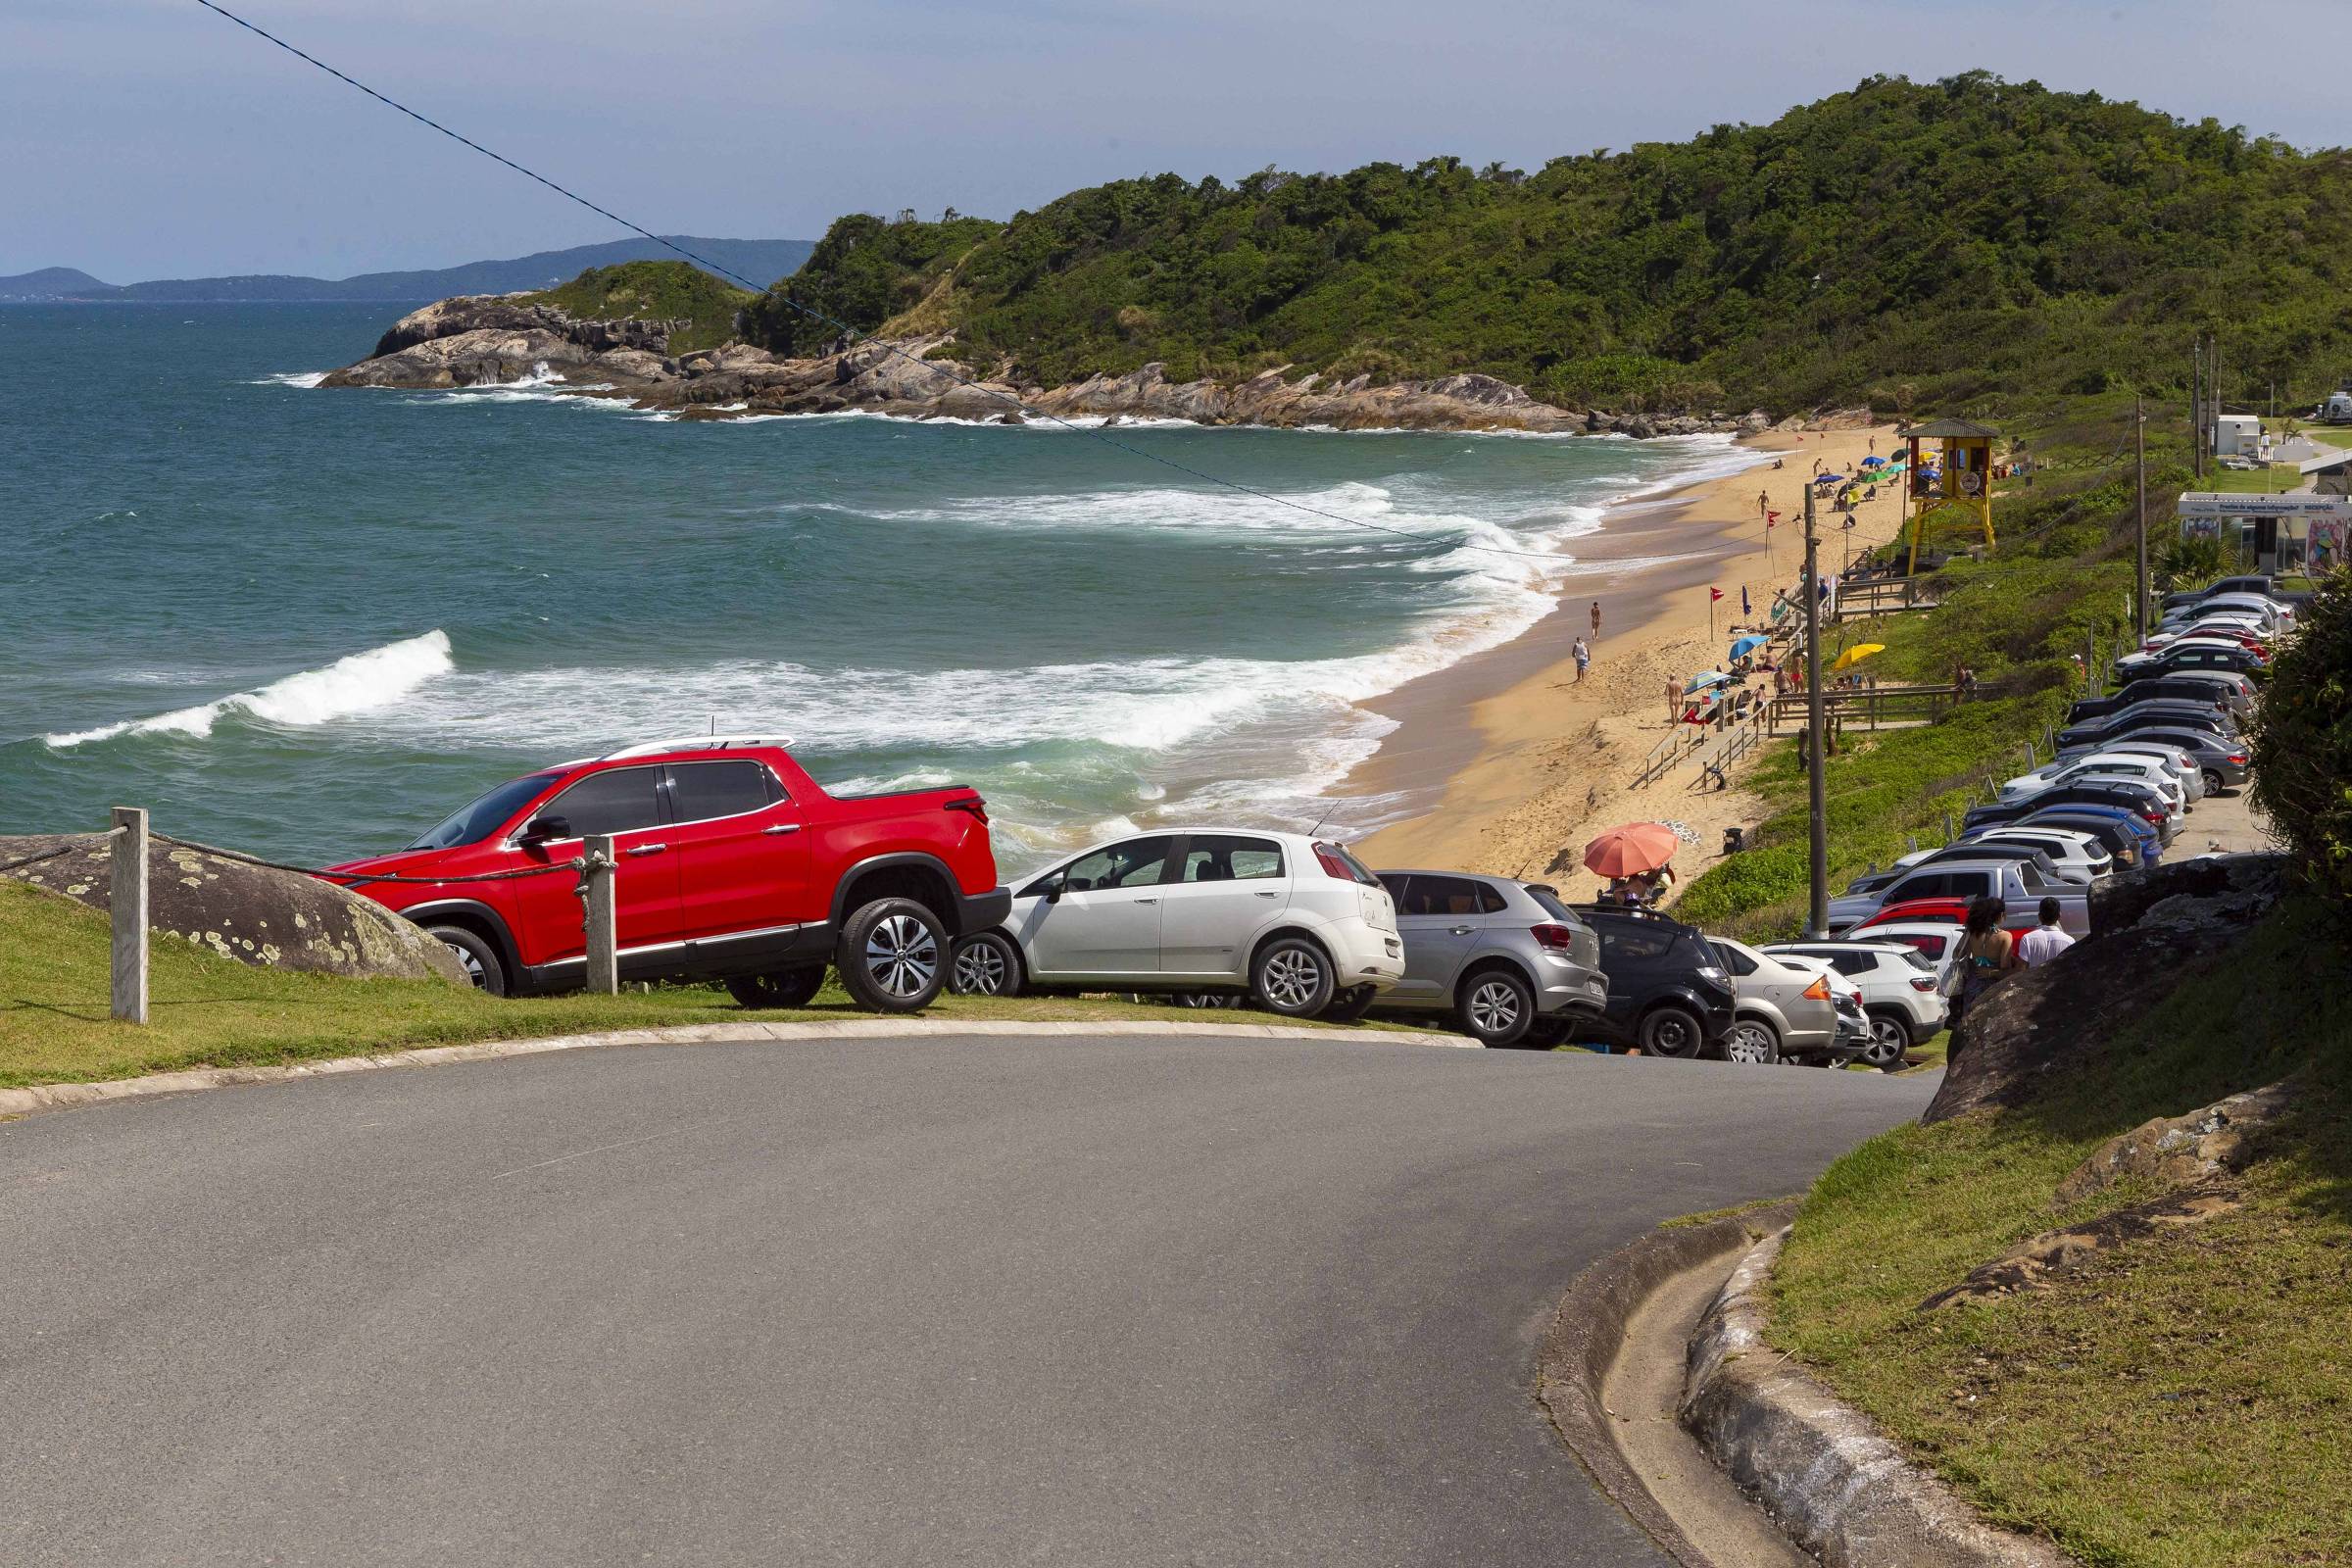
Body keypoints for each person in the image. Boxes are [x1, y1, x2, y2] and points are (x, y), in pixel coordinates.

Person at [1951, 896, 2019, 1032]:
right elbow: (2004, 966)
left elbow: (1957, 953)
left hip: (1973, 984)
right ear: (2000, 915)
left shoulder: (1972, 933)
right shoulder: (2005, 936)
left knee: (1969, 1025)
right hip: (1993, 986)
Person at [2016, 898, 2076, 967]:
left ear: (2039, 916)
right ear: (2059, 916)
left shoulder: (2027, 939)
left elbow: (2021, 969)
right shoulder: (2070, 941)